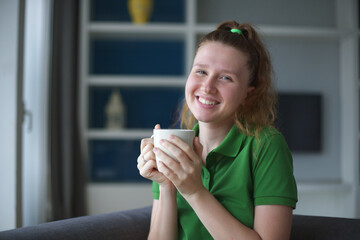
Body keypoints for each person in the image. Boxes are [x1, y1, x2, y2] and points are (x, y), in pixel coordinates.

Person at [137, 20, 297, 240]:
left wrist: (195, 192)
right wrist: (167, 186)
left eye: (225, 78)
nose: (207, 87)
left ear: (248, 93)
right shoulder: (176, 147)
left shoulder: (266, 145)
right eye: (201, 71)